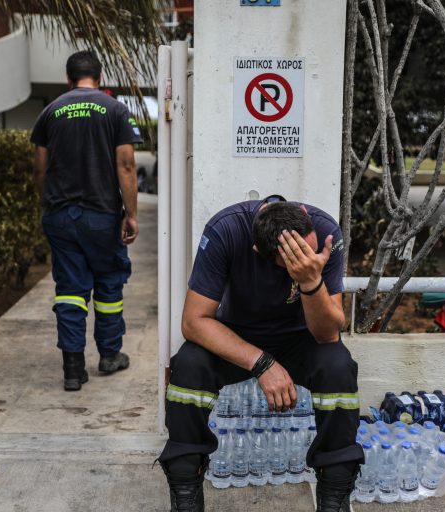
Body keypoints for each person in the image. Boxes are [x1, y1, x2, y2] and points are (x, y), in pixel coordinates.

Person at [158, 195, 363, 512]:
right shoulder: (226, 230)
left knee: (338, 366)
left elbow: (327, 334)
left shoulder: (325, 232)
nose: (307, 259)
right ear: (258, 251)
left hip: (302, 337)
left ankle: (334, 493)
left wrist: (310, 281)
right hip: (239, 336)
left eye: (309, 252)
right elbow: (194, 322)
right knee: (188, 365)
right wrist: (263, 364)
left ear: (304, 214)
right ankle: (186, 489)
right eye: (294, 261)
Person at [31, 50, 142, 391]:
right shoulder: (115, 110)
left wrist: (48, 206)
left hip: (60, 216)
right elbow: (126, 165)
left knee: (69, 290)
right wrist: (131, 214)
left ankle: (73, 369)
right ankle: (109, 354)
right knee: (108, 283)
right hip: (101, 215)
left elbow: (39, 169)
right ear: (100, 76)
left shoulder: (50, 112)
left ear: (68, 78)